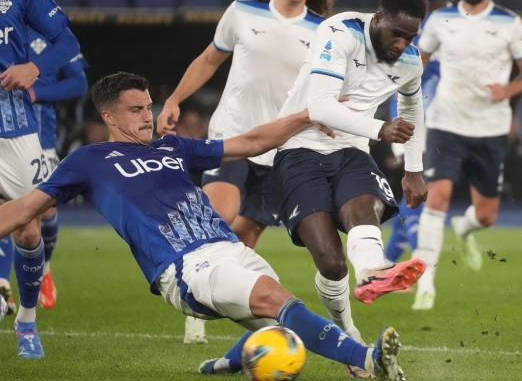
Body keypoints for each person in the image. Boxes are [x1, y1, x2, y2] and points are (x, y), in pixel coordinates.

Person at [0, 72, 406, 381]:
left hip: (230, 250)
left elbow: (249, 143)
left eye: (149, 107)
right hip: (184, 267)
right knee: (277, 299)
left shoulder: (172, 146)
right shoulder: (89, 161)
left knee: (284, 336)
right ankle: (368, 358)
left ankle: (218, 365)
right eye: (136, 110)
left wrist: (306, 115)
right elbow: (22, 210)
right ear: (108, 115)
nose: (149, 116)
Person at [156, 0, 335, 350]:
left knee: (245, 239)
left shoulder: (322, 30)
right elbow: (209, 59)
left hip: (280, 148)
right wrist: (174, 99)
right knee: (219, 215)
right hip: (231, 138)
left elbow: (328, 86)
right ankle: (195, 314)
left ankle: (237, 313)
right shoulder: (241, 11)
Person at [271, 0, 428, 351]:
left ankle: (373, 272)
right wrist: (380, 128)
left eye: (410, 37)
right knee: (331, 263)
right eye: (396, 33)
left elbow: (411, 111)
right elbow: (321, 107)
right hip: (299, 150)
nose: (402, 44)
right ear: (378, 18)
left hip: (351, 150)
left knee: (363, 211)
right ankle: (347, 331)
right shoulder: (339, 32)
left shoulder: (409, 62)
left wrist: (415, 169)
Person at [413, 0, 522, 309]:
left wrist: (507, 92)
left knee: (486, 215)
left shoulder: (509, 22)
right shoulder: (440, 20)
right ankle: (425, 282)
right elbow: (418, 59)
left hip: (490, 128)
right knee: (437, 196)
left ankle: (464, 228)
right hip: (446, 124)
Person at [0, 0, 81, 358]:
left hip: (12, 120)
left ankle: (27, 323)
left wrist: (35, 67)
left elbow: (68, 43)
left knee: (28, 230)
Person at [384, 0, 450, 266]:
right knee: (421, 192)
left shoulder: (455, 19)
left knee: (416, 195)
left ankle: (385, 267)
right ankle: (421, 265)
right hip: (411, 111)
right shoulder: (406, 20)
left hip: (446, 117)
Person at [29, 27, 89, 310]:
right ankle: (4, 287)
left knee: (47, 210)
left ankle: (45, 270)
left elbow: (78, 83)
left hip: (42, 139)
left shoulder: (52, 33)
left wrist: (36, 91)